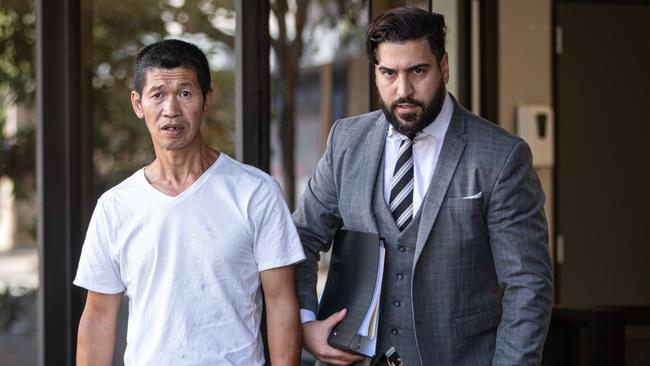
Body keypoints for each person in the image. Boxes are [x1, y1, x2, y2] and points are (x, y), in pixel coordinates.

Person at [294, 7, 553, 366]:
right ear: (375, 72)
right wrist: (306, 323)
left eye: (418, 71)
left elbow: (528, 286)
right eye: (389, 73)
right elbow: (301, 239)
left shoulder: (501, 156)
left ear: (443, 67)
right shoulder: (346, 141)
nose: (403, 90)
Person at [74, 39, 305, 366]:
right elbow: (97, 316)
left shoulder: (256, 192)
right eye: (157, 95)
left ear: (206, 100)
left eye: (184, 93)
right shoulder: (116, 206)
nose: (171, 110)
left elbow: (281, 303)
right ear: (138, 105)